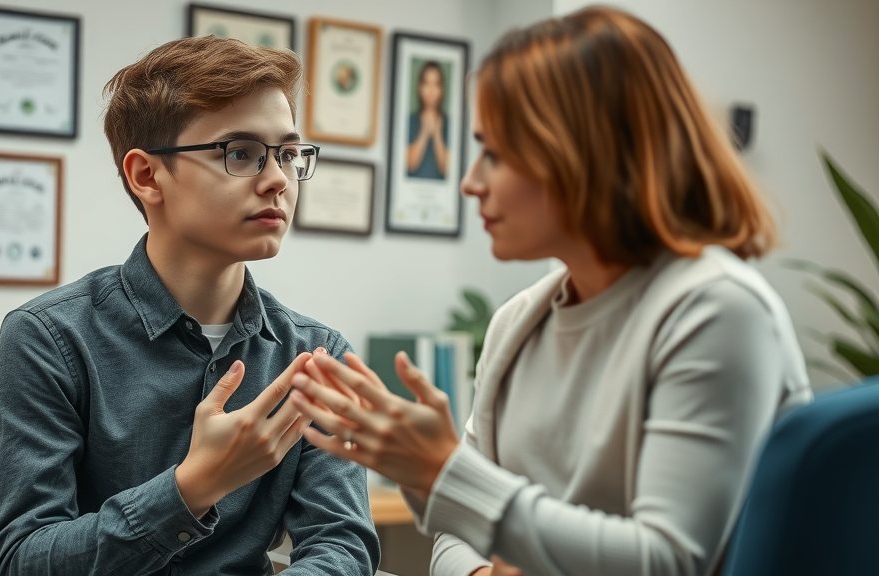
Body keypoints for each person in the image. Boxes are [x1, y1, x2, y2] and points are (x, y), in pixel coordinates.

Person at [288, 7, 812, 576]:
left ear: (583, 154)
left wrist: (442, 472)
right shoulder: (517, 323)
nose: (470, 182)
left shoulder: (716, 311)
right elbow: (454, 532)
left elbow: (667, 561)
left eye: (494, 153)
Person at [0, 36, 380, 576]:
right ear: (147, 176)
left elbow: (341, 545)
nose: (279, 179)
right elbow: (16, 560)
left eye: (286, 153)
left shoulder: (316, 355)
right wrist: (193, 486)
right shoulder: (47, 340)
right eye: (241, 153)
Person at [406, 60, 449, 179]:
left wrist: (437, 134)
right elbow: (408, 164)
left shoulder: (450, 124)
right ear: (420, 87)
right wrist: (424, 132)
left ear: (442, 89)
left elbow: (447, 168)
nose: (431, 91)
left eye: (436, 84)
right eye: (427, 83)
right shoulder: (409, 121)